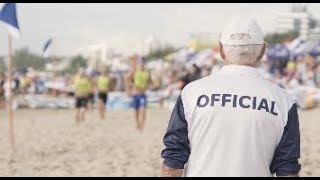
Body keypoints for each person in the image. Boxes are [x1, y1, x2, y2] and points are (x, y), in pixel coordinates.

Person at [160, 19, 301, 177]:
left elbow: (172, 163)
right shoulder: (283, 101)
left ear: (221, 50)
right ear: (262, 51)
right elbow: (287, 169)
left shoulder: (191, 93)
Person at [129, 57, 150, 132]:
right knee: (136, 111)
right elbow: (128, 80)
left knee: (143, 109)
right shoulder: (134, 70)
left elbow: (149, 81)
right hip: (135, 94)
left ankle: (142, 126)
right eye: (141, 62)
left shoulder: (147, 72)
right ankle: (137, 124)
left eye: (143, 62)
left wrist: (147, 86)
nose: (142, 64)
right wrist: (133, 85)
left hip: (142, 94)